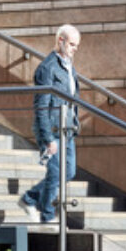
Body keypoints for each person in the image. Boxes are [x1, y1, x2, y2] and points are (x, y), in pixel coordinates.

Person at [18, 24, 82, 223]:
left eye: (77, 45)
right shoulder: (47, 68)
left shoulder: (69, 67)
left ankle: (29, 198)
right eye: (71, 44)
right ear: (60, 40)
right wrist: (47, 138)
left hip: (67, 129)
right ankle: (47, 216)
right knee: (55, 172)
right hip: (53, 129)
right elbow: (41, 105)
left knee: (69, 172)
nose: (74, 49)